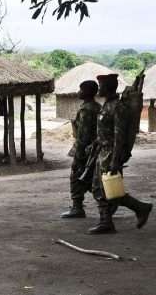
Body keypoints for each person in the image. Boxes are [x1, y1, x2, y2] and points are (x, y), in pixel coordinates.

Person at [88, 74, 153, 234]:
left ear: (109, 87)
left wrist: (116, 160)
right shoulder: (107, 105)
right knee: (98, 187)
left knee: (109, 189)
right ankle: (106, 221)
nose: (99, 89)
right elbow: (106, 131)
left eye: (101, 86)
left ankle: (140, 208)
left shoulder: (117, 107)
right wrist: (97, 142)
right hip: (102, 151)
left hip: (111, 153)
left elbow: (119, 136)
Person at [60, 81, 101, 218]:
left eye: (81, 90)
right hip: (95, 149)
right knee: (90, 178)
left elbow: (83, 136)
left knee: (76, 176)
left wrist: (78, 155)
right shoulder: (97, 107)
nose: (78, 92)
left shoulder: (87, 110)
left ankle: (77, 208)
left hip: (86, 150)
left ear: (87, 92)